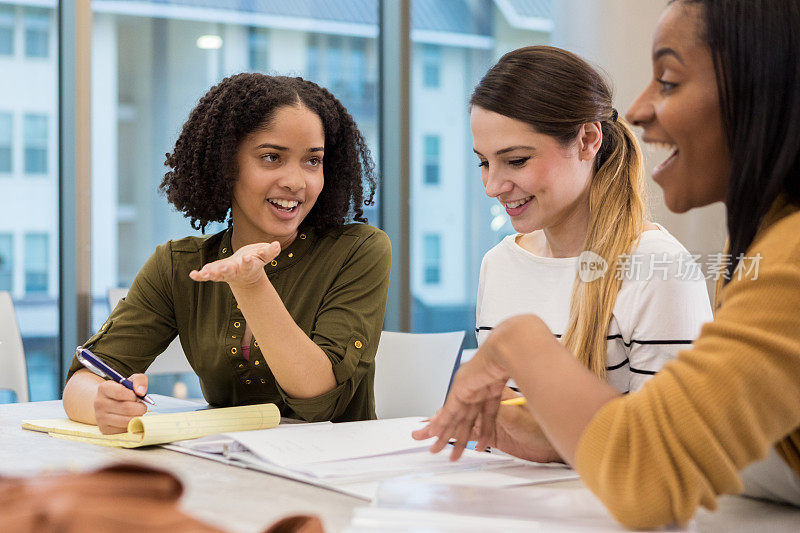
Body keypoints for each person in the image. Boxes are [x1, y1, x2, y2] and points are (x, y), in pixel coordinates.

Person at [414, 0, 800, 527]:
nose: (638, 111)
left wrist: (518, 341)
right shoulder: (766, 248)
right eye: (485, 162)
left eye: (667, 81)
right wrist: (551, 435)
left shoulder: (768, 261)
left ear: (761, 90)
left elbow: (651, 475)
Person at [63, 73, 391, 433]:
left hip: (338, 475)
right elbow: (85, 379)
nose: (297, 181)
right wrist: (103, 406)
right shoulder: (179, 265)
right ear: (225, 165)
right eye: (271, 157)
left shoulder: (359, 250)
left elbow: (317, 397)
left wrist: (251, 283)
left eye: (313, 161)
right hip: (226, 470)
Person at [472, 46, 711, 411]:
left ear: (587, 140)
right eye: (484, 163)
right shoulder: (498, 264)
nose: (493, 186)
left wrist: (523, 431)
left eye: (516, 161)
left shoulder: (657, 267)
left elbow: (670, 446)